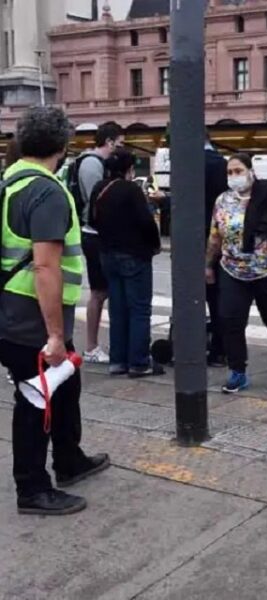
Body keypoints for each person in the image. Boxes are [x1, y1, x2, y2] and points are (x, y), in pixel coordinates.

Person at [1, 106, 109, 515]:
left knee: (66, 384)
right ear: (63, 146)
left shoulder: (9, 181)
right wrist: (55, 335)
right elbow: (46, 266)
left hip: (11, 309)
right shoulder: (46, 191)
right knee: (36, 397)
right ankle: (32, 489)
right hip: (31, 316)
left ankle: (69, 458)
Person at [207, 154, 267, 393]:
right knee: (230, 320)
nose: (234, 176)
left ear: (251, 171)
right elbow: (215, 235)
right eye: (229, 172)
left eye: (238, 171)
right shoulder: (223, 200)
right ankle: (238, 372)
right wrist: (208, 264)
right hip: (232, 270)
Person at [91, 149, 162, 377]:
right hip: (134, 254)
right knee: (139, 309)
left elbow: (92, 219)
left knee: (118, 308)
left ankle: (118, 361)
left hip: (107, 254)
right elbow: (146, 221)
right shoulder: (131, 190)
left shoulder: (99, 188)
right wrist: (155, 244)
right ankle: (139, 362)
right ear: (129, 169)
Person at [74, 121, 125, 364]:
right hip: (94, 233)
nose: (121, 148)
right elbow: (97, 201)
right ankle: (91, 346)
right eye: (120, 143)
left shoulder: (90, 162)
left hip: (95, 232)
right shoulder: (93, 164)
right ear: (109, 142)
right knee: (99, 292)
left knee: (104, 291)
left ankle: (97, 345)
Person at [204, 138, 229, 366]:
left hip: (195, 237)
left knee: (197, 296)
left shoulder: (189, 162)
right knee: (219, 296)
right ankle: (221, 347)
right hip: (222, 236)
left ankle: (203, 344)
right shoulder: (224, 164)